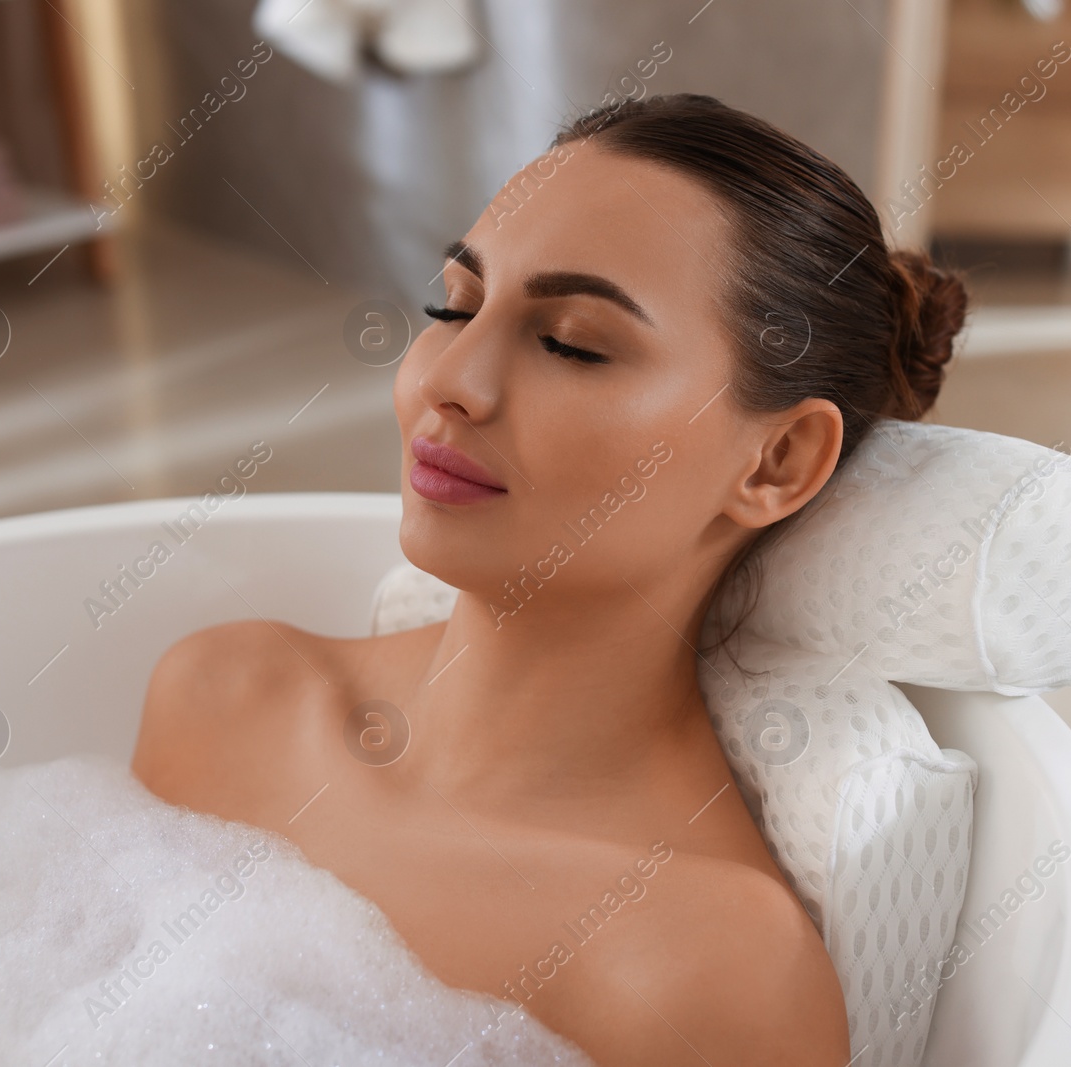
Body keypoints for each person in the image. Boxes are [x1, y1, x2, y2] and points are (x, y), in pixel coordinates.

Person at [131, 92, 966, 1067]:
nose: (453, 380)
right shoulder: (223, 698)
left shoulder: (704, 968)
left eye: (570, 340)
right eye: (454, 304)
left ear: (775, 461)